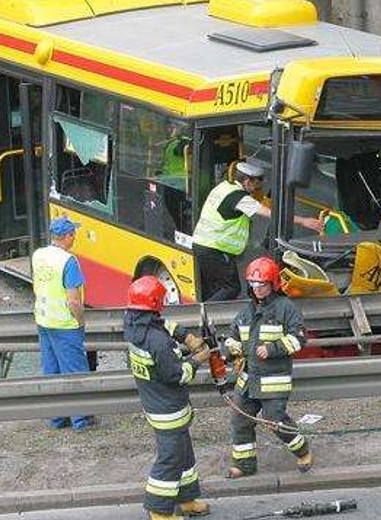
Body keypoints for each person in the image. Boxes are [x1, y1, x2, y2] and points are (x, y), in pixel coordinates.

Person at [124, 276, 212, 519]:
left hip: (156, 402)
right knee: (170, 459)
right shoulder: (158, 342)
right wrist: (197, 359)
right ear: (155, 303)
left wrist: (186, 335)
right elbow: (177, 375)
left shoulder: (134, 324)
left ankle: (187, 500)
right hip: (168, 409)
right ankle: (159, 510)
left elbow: (163, 324)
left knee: (184, 454)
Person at [222, 257, 313, 478]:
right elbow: (231, 339)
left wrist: (273, 349)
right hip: (248, 380)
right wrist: (231, 351)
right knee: (240, 419)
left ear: (273, 284)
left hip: (273, 379)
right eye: (253, 284)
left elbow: (299, 337)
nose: (257, 289)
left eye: (262, 284)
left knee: (275, 420)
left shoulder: (285, 308)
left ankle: (303, 451)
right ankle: (244, 466)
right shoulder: (246, 312)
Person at [192, 161, 321, 301]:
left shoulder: (224, 187)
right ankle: (199, 317)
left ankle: (211, 318)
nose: (258, 188)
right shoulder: (239, 198)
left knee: (218, 288)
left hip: (204, 245)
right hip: (215, 249)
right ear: (247, 180)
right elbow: (268, 213)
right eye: (257, 182)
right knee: (231, 288)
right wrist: (303, 221)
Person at [31, 216, 95, 430]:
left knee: (52, 369)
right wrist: (80, 321)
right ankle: (81, 420)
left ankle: (57, 418)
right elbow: (74, 300)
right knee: (75, 372)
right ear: (67, 236)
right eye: (73, 234)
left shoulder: (38, 255)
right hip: (65, 324)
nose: (75, 237)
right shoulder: (69, 261)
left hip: (43, 319)